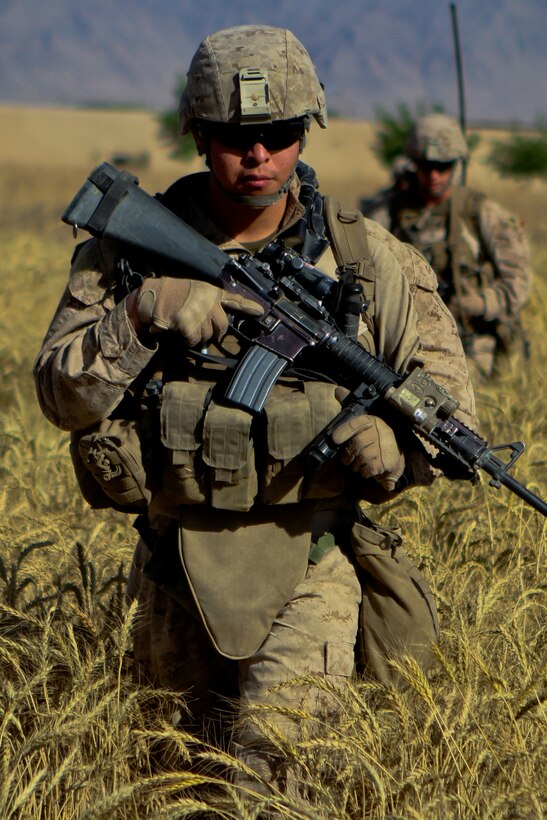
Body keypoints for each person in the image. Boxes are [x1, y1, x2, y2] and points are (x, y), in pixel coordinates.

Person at [33, 26, 477, 806]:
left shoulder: (369, 261)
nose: (259, 156)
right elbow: (61, 398)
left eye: (279, 136)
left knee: (281, 789)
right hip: (174, 567)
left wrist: (399, 445)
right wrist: (143, 310)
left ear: (306, 132)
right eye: (237, 137)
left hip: (310, 563)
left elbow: (450, 410)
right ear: (199, 135)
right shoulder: (130, 253)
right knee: (172, 787)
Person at [362, 113, 532, 380]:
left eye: (443, 167)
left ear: (456, 166)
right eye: (425, 166)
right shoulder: (391, 211)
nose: (434, 176)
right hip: (405, 341)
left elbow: (518, 282)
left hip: (472, 344)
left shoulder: (480, 212)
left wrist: (479, 302)